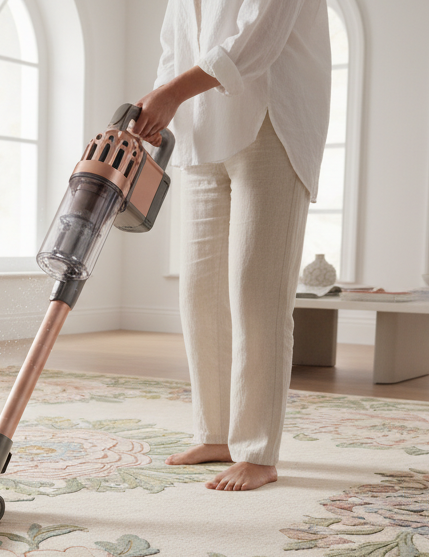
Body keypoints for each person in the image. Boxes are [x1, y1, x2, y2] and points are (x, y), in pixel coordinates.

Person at [133, 0, 331, 491]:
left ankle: (258, 452)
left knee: (257, 295)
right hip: (202, 134)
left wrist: (170, 95)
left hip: (274, 124)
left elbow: (257, 40)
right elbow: (173, 46)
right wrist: (160, 112)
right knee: (200, 295)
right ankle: (217, 434)